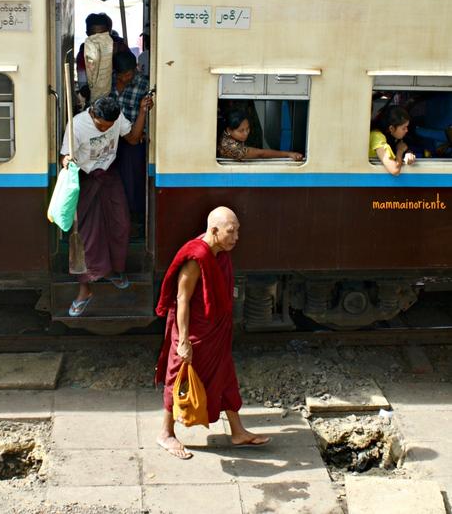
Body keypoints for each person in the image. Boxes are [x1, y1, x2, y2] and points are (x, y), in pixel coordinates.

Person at [155, 206, 271, 460]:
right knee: (178, 378)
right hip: (193, 332)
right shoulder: (196, 257)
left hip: (214, 332)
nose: (237, 237)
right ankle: (166, 433)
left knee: (225, 376)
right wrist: (183, 341)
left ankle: (238, 432)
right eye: (232, 231)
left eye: (238, 231)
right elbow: (182, 299)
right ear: (215, 230)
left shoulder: (219, 251)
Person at [59, 93, 153, 317]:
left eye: (109, 127)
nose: (105, 130)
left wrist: (142, 111)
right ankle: (85, 289)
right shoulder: (77, 125)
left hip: (109, 176)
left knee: (120, 225)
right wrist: (67, 161)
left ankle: (115, 271)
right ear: (92, 114)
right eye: (102, 126)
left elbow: (132, 138)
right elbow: (64, 156)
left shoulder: (116, 117)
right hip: (85, 180)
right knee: (84, 235)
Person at [111, 49, 153, 222]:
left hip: (133, 138)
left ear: (135, 69)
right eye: (122, 75)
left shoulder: (144, 85)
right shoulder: (107, 82)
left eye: (129, 74)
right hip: (111, 138)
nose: (126, 78)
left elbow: (148, 114)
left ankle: (134, 218)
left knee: (133, 182)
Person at [76, 13, 128, 104]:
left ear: (109, 33)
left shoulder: (120, 47)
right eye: (94, 36)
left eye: (102, 35)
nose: (99, 40)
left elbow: (130, 73)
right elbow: (83, 86)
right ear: (87, 34)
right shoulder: (82, 55)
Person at [218, 110, 303, 161]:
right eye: (241, 130)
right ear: (229, 130)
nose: (246, 133)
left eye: (248, 129)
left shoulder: (227, 135)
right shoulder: (230, 146)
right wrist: (288, 154)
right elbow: (261, 154)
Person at [369, 106, 416, 176]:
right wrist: (400, 151)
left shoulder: (392, 136)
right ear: (391, 128)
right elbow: (394, 170)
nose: (407, 130)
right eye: (403, 128)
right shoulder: (377, 137)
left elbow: (401, 146)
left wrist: (408, 153)